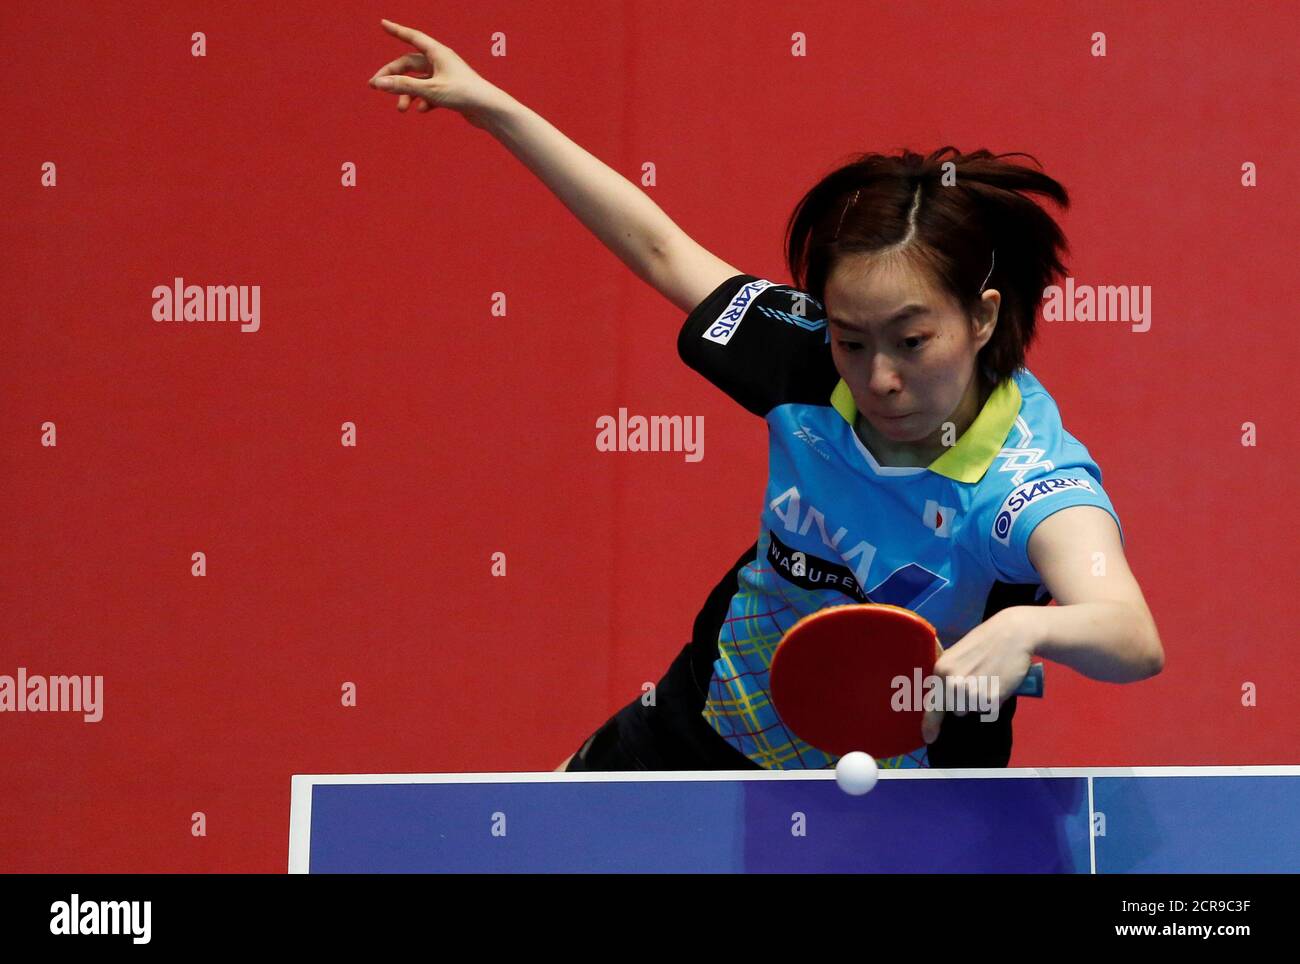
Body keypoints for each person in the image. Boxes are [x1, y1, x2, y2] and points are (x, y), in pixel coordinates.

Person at [369, 19, 1166, 772]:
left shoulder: (1025, 486)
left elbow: (1130, 633)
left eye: (912, 341)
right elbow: (658, 248)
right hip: (723, 705)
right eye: (853, 339)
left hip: (912, 771)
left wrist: (1034, 626)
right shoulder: (807, 361)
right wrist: (492, 107)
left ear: (983, 317)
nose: (878, 376)